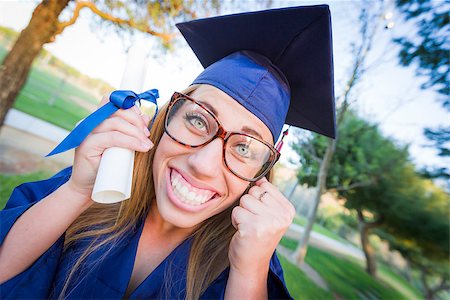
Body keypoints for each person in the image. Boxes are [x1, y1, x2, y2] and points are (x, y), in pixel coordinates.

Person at [0, 4, 335, 299]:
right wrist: (78, 190)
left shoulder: (249, 262)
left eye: (244, 147)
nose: (203, 164)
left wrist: (249, 272)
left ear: (263, 171)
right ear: (167, 116)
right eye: (198, 120)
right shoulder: (99, 183)